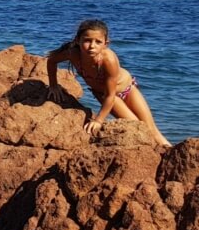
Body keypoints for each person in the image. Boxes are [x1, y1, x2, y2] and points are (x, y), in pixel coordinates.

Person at [46, 19, 170, 147]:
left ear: (106, 43)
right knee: (138, 126)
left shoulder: (108, 59)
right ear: (78, 40)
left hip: (127, 89)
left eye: (98, 42)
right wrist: (53, 85)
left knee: (152, 129)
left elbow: (111, 94)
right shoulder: (72, 53)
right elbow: (51, 61)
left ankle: (170, 152)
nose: (92, 46)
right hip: (107, 95)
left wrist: (99, 120)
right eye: (87, 40)